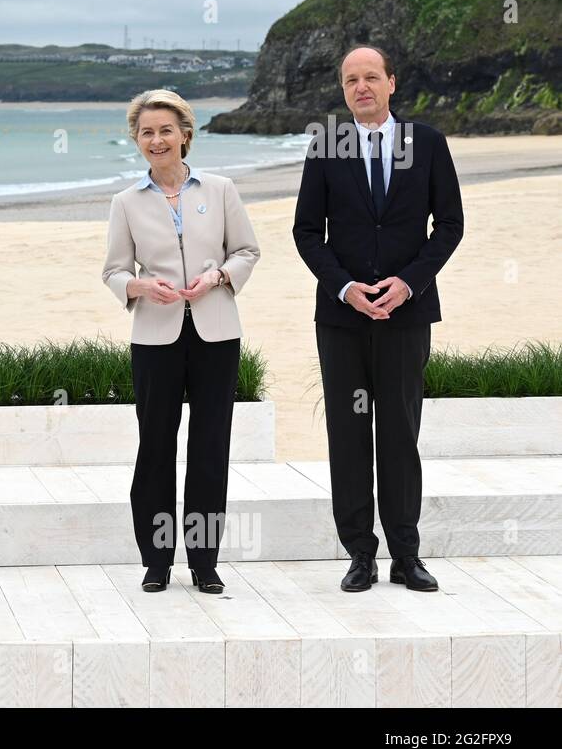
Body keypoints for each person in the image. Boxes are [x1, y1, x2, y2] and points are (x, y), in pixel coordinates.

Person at [292, 44, 464, 593]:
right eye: (350, 80)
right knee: (347, 435)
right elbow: (306, 232)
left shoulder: (428, 143)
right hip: (342, 319)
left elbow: (450, 225)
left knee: (399, 434)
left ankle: (405, 555)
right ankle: (359, 555)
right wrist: (344, 288)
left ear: (392, 82)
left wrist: (408, 283)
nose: (360, 87)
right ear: (343, 90)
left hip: (406, 315)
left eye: (370, 77)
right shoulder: (326, 145)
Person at [102, 90, 260, 594]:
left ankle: (204, 561)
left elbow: (247, 250)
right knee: (155, 447)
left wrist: (217, 279)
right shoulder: (126, 202)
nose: (156, 140)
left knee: (210, 447)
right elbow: (113, 270)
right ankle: (156, 559)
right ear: (137, 140)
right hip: (155, 335)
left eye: (165, 130)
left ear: (185, 134)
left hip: (216, 333)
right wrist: (140, 286)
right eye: (146, 132)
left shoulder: (220, 190)